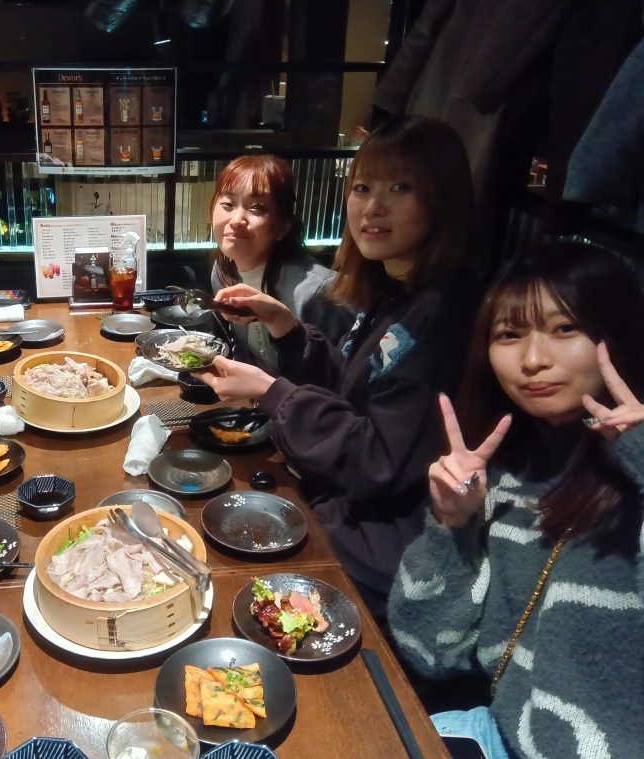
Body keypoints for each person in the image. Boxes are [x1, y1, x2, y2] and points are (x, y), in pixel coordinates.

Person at [201, 117, 480, 615]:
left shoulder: (444, 313)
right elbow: (350, 390)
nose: (373, 207)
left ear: (443, 199)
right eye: (363, 188)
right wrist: (288, 329)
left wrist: (272, 392)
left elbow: (378, 459)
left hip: (380, 551)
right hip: (340, 505)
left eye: (400, 188)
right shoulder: (395, 292)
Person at [388, 241, 644, 758]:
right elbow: (430, 653)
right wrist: (452, 528)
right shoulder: (507, 475)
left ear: (617, 331)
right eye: (509, 334)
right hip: (495, 733)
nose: (532, 360)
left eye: (565, 328)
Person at [208, 154, 353, 371]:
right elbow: (244, 351)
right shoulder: (223, 273)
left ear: (283, 226)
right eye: (228, 204)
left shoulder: (317, 291)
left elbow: (343, 374)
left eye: (257, 207)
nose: (236, 220)